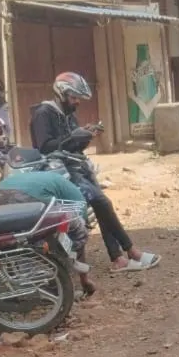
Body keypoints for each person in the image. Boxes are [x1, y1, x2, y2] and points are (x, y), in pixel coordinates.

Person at [29, 72, 160, 273]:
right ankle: (131, 252)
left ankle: (118, 258)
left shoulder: (69, 114)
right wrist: (74, 137)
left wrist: (86, 135)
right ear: (62, 94)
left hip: (78, 167)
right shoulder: (44, 113)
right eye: (74, 97)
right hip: (60, 172)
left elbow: (74, 146)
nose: (77, 102)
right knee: (102, 203)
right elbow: (45, 147)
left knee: (102, 207)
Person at [0, 148, 96, 295]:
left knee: (22, 236)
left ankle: (20, 278)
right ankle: (60, 277)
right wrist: (85, 280)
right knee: (77, 232)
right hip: (29, 195)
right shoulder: (77, 199)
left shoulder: (49, 180)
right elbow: (79, 229)